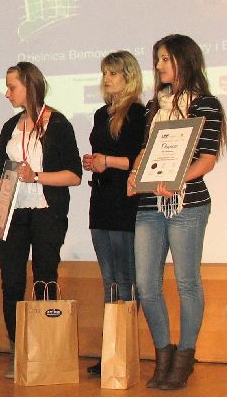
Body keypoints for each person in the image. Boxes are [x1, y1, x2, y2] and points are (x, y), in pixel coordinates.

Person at [127, 34, 227, 391]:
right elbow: (145, 151)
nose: (158, 66)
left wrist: (178, 179)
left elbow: (207, 159)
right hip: (149, 205)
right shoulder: (154, 106)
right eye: (157, 59)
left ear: (184, 60)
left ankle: (184, 358)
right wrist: (135, 173)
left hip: (188, 204)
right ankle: (163, 356)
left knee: (187, 282)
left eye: (165, 59)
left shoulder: (206, 105)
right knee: (146, 285)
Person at [0, 62, 82, 379]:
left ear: (29, 85)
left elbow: (74, 175)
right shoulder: (10, 126)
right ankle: (18, 350)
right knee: (11, 282)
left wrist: (36, 176)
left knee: (45, 278)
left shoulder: (59, 123)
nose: (7, 92)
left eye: (12, 86)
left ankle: (45, 349)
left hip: (46, 212)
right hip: (11, 214)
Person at [82, 51, 145, 376]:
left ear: (128, 77)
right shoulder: (100, 114)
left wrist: (107, 161)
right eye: (105, 73)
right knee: (109, 279)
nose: (107, 79)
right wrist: (94, 162)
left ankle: (124, 349)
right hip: (101, 201)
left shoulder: (138, 113)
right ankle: (111, 351)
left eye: (113, 73)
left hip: (125, 201)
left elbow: (140, 159)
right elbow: (103, 154)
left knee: (126, 278)